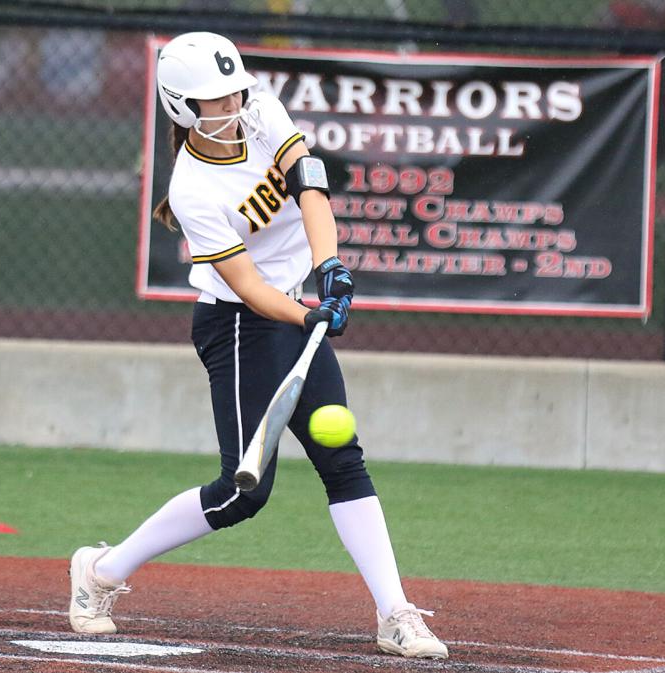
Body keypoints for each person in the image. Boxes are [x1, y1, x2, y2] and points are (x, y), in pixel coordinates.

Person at [67, 31, 448, 660]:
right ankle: (101, 571)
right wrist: (308, 315)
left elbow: (312, 192)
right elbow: (245, 285)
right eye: (214, 100)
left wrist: (331, 271)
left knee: (341, 457)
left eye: (234, 90)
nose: (232, 104)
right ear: (181, 108)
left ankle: (395, 613)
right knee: (243, 492)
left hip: (296, 306)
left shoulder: (264, 110)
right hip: (240, 324)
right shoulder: (194, 188)